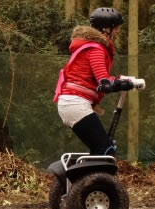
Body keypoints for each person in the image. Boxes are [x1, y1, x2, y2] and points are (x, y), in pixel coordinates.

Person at [54, 7, 134, 156]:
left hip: (72, 102)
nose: (117, 32)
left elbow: (101, 80)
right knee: (105, 151)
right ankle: (93, 180)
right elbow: (104, 83)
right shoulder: (96, 48)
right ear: (105, 29)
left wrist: (122, 80)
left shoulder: (90, 46)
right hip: (75, 103)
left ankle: (87, 179)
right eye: (115, 28)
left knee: (101, 149)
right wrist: (126, 83)